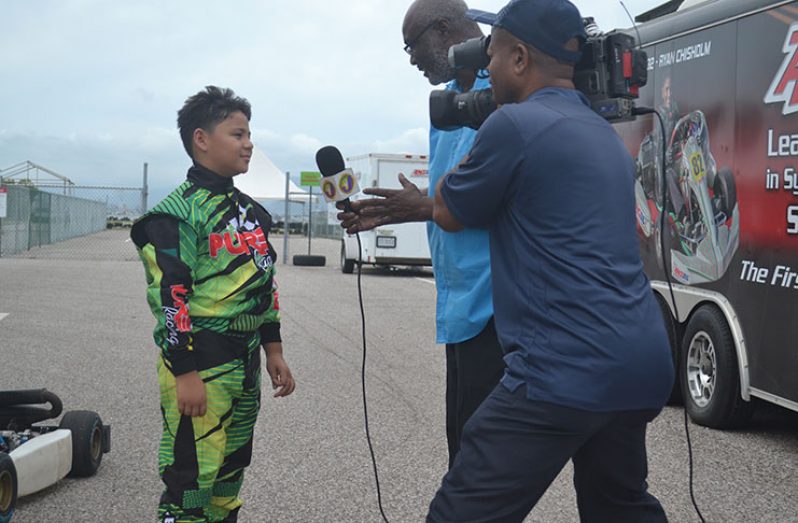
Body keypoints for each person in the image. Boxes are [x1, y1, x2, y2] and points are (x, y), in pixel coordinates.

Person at [428, 0, 674, 521]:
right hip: (639, 364)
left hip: (562, 369)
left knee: (461, 513)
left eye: (492, 56)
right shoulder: (602, 133)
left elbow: (449, 210)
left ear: (519, 59)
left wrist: (483, 126)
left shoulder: (513, 126)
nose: (486, 69)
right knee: (619, 506)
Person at [337, 0, 506, 470]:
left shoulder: (506, 91)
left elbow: (500, 196)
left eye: (412, 46)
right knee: (462, 447)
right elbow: (450, 199)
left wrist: (422, 206)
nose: (411, 59)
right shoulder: (449, 100)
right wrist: (397, 212)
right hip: (459, 304)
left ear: (444, 28)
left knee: (482, 463)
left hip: (498, 306)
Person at [131, 86, 296, 523]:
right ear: (201, 139)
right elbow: (170, 298)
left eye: (249, 134)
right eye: (237, 134)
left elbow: (265, 283)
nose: (249, 144)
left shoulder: (253, 215)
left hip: (244, 361)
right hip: (200, 360)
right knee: (191, 481)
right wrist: (184, 371)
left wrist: (273, 349)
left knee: (229, 474)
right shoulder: (174, 215)